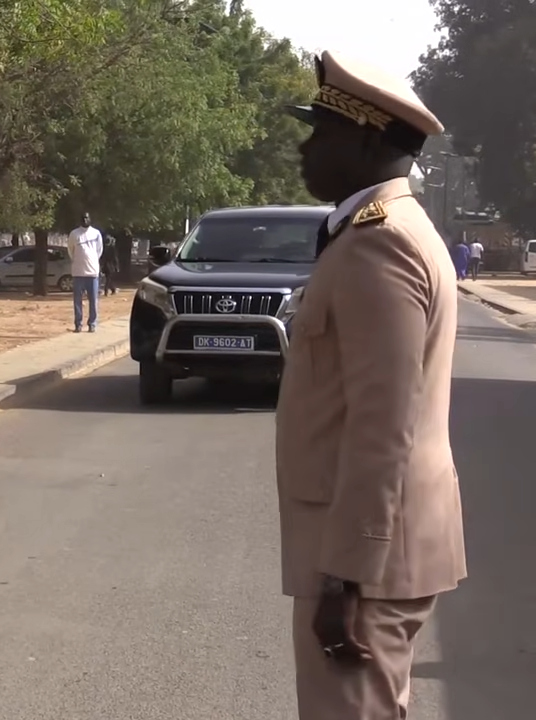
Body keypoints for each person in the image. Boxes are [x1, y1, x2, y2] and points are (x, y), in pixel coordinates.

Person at [279, 50, 465, 720]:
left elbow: (386, 424)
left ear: (363, 139)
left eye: (319, 131)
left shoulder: (379, 244)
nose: (305, 147)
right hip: (382, 547)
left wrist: (347, 574)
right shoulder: (387, 232)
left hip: (367, 558)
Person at [67, 212, 103, 332]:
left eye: (87, 218)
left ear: (90, 219)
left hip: (92, 273)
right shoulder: (74, 234)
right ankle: (78, 324)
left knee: (93, 301)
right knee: (77, 301)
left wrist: (92, 261)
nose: (85, 220)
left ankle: (92, 323)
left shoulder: (96, 233)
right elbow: (71, 251)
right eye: (83, 218)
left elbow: (99, 250)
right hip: (78, 273)